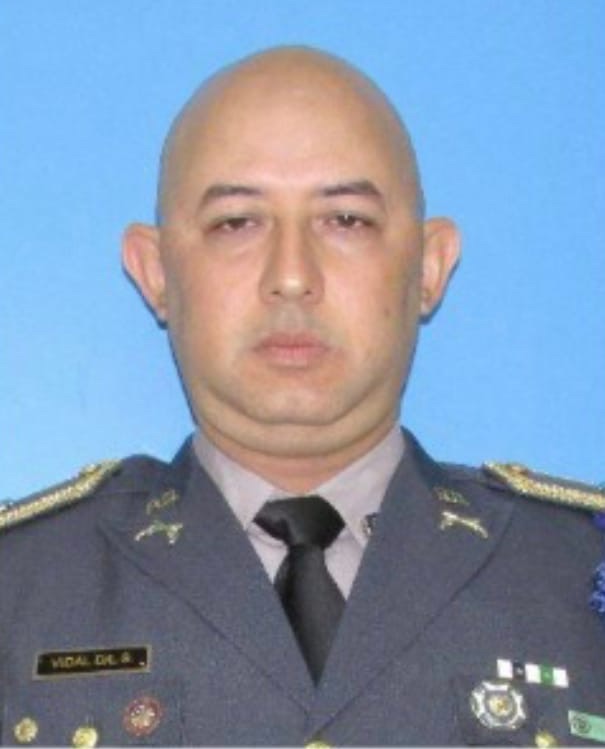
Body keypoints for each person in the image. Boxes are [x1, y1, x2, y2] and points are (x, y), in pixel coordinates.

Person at [1, 46, 604, 748]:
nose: (291, 275)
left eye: (346, 219)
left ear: (429, 265)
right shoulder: (22, 586)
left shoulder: (576, 573)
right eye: (236, 222)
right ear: (156, 271)